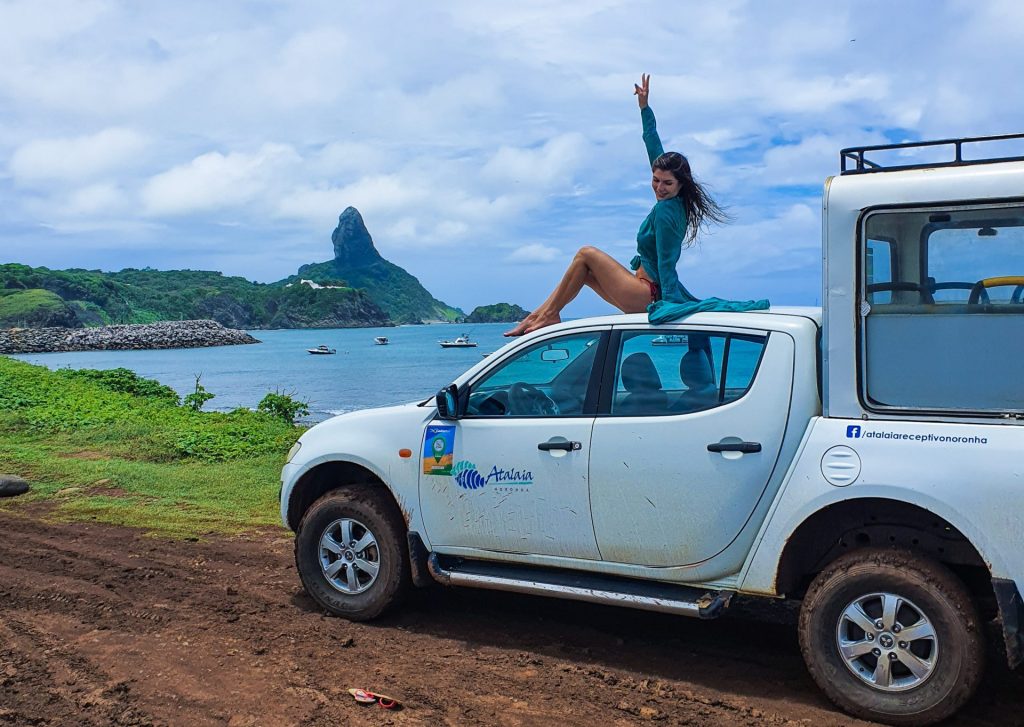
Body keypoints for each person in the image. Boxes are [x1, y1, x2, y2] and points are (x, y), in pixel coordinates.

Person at [504, 73, 728, 337]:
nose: (659, 187)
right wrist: (644, 108)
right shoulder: (671, 198)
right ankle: (539, 316)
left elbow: (667, 262)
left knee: (586, 254)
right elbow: (652, 142)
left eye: (667, 183)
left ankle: (547, 315)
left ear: (681, 184)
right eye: (655, 180)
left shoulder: (668, 210)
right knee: (582, 274)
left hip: (649, 295)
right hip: (640, 287)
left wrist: (667, 306)